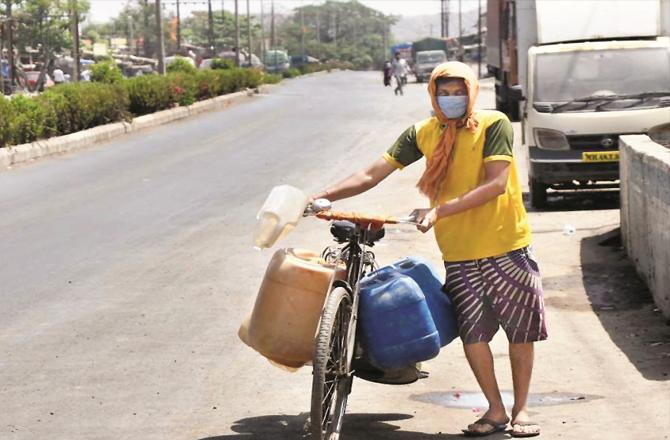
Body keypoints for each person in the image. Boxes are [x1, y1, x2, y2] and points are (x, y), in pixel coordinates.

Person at [311, 62, 545, 438]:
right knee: (474, 335)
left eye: (458, 92)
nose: (451, 100)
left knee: (520, 331)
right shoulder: (423, 133)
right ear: (432, 95)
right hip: (459, 251)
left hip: (506, 243)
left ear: (471, 92)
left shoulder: (494, 124)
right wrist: (322, 196)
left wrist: (439, 210)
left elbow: (497, 184)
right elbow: (373, 173)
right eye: (443, 93)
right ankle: (496, 410)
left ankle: (522, 409)